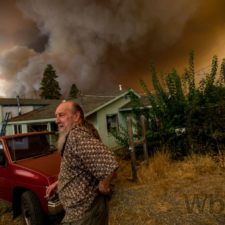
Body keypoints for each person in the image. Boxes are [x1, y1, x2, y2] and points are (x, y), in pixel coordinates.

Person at [45, 100, 119, 225]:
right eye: (56, 116)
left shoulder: (76, 137)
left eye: (61, 115)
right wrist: (59, 182)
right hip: (79, 213)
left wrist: (104, 186)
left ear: (76, 116)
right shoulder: (73, 135)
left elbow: (110, 164)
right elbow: (79, 167)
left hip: (85, 213)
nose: (57, 120)